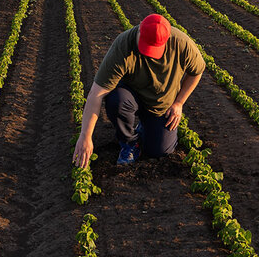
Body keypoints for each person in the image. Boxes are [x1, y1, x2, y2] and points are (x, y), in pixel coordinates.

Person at [72, 14, 205, 168]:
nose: (148, 53)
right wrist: (85, 136)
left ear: (167, 39)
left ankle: (145, 126)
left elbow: (197, 71)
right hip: (131, 95)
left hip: (160, 103)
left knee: (158, 151)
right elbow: (96, 93)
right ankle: (129, 142)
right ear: (139, 28)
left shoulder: (182, 44)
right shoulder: (123, 46)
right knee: (116, 100)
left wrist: (179, 102)